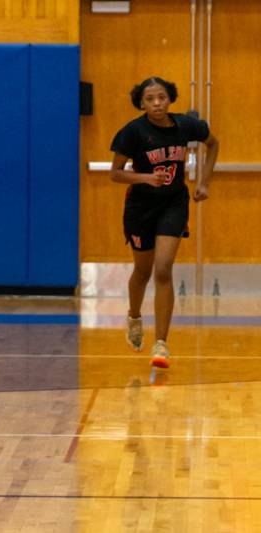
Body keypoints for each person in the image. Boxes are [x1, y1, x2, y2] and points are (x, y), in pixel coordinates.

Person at [110, 76, 218, 368]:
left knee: (163, 269)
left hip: (174, 203)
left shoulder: (186, 125)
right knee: (142, 271)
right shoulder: (133, 132)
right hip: (140, 208)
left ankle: (161, 344)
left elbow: (213, 143)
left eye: (162, 97)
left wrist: (204, 182)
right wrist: (146, 177)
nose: (157, 103)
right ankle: (134, 316)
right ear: (141, 103)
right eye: (150, 99)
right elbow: (116, 173)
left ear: (170, 98)